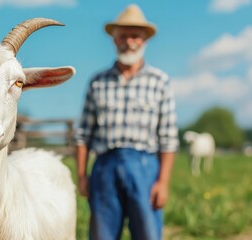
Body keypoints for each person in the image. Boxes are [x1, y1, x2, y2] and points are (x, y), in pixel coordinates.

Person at [74, 4, 179, 240]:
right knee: (102, 234)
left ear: (144, 41)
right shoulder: (97, 82)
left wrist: (163, 182)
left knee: (148, 234)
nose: (129, 41)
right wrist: (82, 175)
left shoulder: (159, 81)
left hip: (145, 167)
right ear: (114, 40)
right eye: (123, 36)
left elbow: (169, 138)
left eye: (135, 36)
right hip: (104, 167)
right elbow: (83, 134)